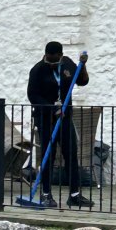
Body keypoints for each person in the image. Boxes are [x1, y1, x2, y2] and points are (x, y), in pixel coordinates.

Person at [26, 41, 93, 208]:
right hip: (46, 119)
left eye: (56, 59)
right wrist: (52, 109)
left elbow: (82, 81)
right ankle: (46, 194)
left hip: (64, 119)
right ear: (45, 56)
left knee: (71, 154)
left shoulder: (67, 63)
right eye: (50, 59)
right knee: (48, 156)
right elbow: (33, 95)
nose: (53, 62)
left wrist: (83, 65)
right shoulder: (37, 70)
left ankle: (74, 195)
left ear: (61, 55)